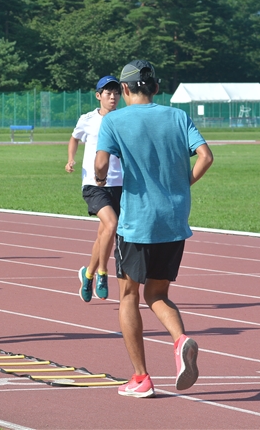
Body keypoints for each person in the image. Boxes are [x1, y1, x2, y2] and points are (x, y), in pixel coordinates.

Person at [95, 60, 213, 398]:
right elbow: (205, 156)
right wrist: (183, 184)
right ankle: (180, 341)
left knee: (129, 295)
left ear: (126, 89)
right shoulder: (177, 116)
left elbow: (101, 163)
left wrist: (100, 178)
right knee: (158, 294)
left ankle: (141, 377)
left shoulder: (114, 120)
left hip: (137, 222)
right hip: (174, 221)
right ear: (156, 88)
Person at [66, 75, 123, 302]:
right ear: (98, 96)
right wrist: (71, 159)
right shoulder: (88, 119)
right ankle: (102, 273)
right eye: (108, 93)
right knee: (112, 225)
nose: (113, 97)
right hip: (93, 183)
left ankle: (87, 274)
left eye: (116, 93)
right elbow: (74, 139)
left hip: (120, 184)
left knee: (104, 234)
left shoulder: (123, 119)